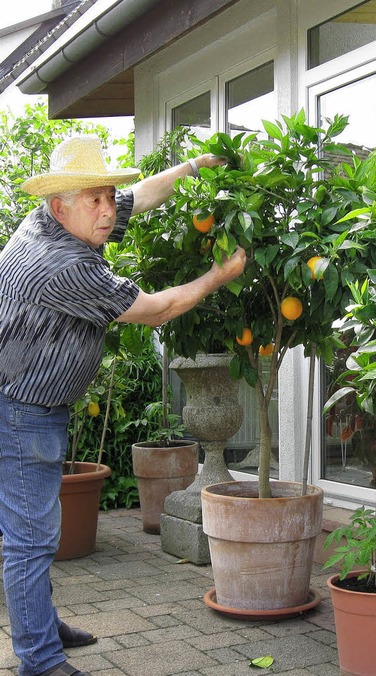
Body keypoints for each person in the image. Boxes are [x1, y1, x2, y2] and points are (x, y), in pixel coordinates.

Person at [0, 136, 246, 676]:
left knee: (35, 528)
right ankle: (39, 661)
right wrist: (219, 276)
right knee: (29, 538)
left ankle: (40, 623)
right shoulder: (62, 263)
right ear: (60, 203)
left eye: (108, 196)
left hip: (24, 401)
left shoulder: (49, 220)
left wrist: (189, 167)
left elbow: (139, 195)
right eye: (97, 200)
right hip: (19, 409)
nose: (110, 209)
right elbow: (156, 310)